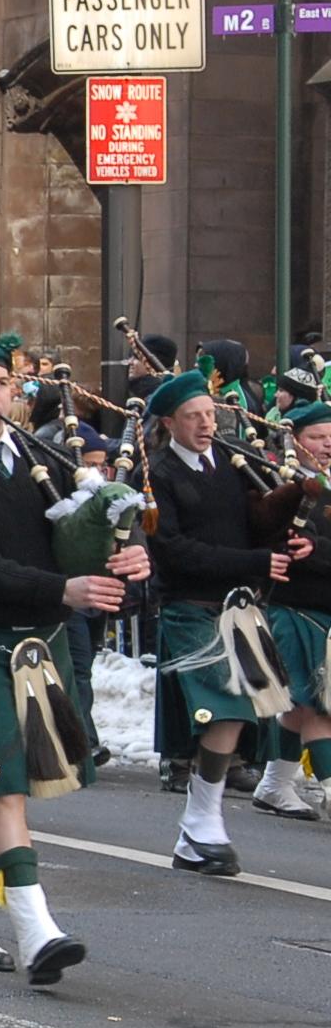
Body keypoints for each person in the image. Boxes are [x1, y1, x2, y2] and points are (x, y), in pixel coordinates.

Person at [0, 338, 145, 982]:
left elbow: (97, 519)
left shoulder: (41, 459)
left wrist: (130, 553)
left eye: (3, 383)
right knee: (4, 783)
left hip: (42, 643)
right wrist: (58, 589)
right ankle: (37, 931)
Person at [143, 367, 301, 876]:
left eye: (210, 414)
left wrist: (287, 517)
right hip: (191, 605)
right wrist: (253, 563)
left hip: (241, 607)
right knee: (224, 710)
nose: (206, 424)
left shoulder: (236, 462)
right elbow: (172, 551)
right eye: (194, 417)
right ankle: (204, 819)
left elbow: (256, 525)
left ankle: (197, 826)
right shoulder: (157, 474)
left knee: (243, 714)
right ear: (170, 422)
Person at [256, 401, 331, 820]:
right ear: (295, 441)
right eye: (317, 438)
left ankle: (275, 784)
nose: (327, 446)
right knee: (321, 705)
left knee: (301, 707)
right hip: (299, 608)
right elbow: (289, 548)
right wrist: (316, 549)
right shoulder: (286, 490)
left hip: (323, 611)